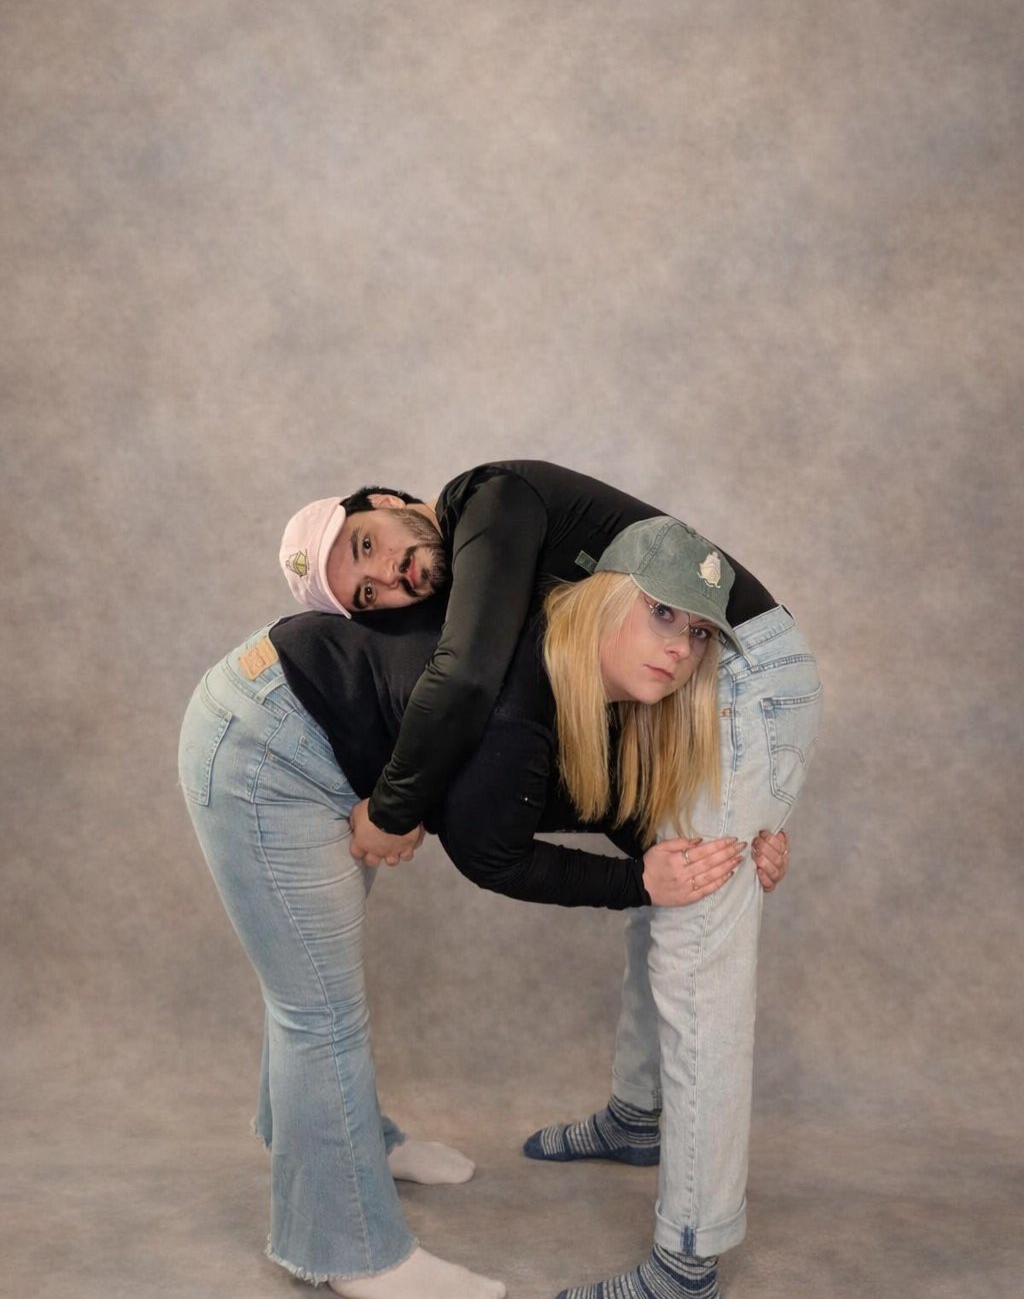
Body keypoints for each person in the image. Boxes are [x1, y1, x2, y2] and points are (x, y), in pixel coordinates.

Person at [180, 517, 777, 1299]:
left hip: (302, 707)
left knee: (308, 982)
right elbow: (493, 849)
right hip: (263, 744)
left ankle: (348, 1144)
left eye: (698, 631)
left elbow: (572, 797)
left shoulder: (566, 665)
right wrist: (641, 883)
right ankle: (351, 1249)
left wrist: (737, 842)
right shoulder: (512, 702)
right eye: (661, 612)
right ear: (600, 601)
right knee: (317, 1007)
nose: (680, 646)